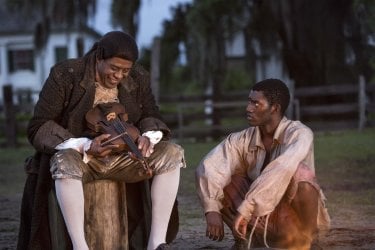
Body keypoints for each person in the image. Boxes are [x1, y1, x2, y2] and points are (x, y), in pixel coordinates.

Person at [17, 31, 185, 250]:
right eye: (114, 68)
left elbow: (151, 115)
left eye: (125, 70)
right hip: (84, 159)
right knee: (64, 161)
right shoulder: (66, 74)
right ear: (98, 58)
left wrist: (149, 136)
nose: (119, 76)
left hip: (126, 158)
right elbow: (39, 126)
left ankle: (156, 243)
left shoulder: (138, 77)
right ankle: (80, 246)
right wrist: (85, 145)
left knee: (172, 153)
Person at [195, 79, 330, 250]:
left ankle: (310, 240)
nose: (248, 108)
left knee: (302, 175)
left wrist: (248, 206)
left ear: (275, 107)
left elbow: (283, 167)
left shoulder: (300, 134)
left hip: (291, 222)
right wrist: (211, 209)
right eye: (249, 102)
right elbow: (209, 166)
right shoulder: (241, 139)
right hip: (257, 218)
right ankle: (246, 239)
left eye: (255, 103)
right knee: (226, 177)